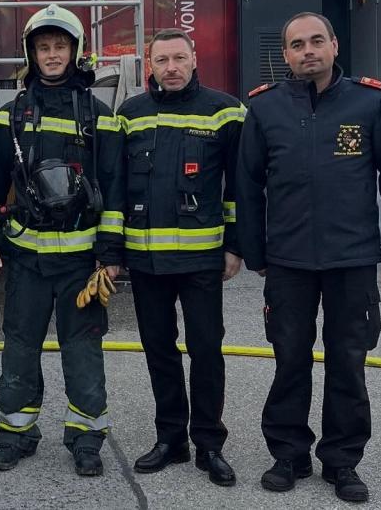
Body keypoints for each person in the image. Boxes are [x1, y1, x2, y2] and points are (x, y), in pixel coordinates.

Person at [236, 12, 381, 503]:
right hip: (288, 263)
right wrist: (256, 253)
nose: (307, 50)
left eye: (317, 41)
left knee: (348, 363)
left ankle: (342, 462)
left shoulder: (370, 102)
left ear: (334, 46)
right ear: (287, 54)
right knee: (289, 359)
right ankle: (288, 454)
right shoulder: (265, 109)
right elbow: (247, 187)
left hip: (351, 261)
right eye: (297, 44)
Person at [0, 4, 123, 476]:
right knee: (20, 345)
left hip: (82, 263)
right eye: (44, 47)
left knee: (83, 350)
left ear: (75, 51)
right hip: (26, 260)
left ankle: (86, 438)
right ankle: (15, 434)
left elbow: (114, 188)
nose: (52, 54)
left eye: (60, 46)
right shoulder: (9, 115)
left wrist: (110, 254)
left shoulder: (100, 116)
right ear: (31, 53)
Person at [116, 28, 245, 486]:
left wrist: (235, 245)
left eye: (179, 58)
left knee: (206, 351)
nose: (171, 67)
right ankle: (171, 437)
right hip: (146, 262)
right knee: (159, 351)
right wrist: (115, 252)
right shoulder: (130, 114)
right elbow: (115, 187)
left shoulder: (225, 110)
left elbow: (241, 185)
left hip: (202, 260)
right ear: (148, 65)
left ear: (194, 59)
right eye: (161, 60)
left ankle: (209, 444)